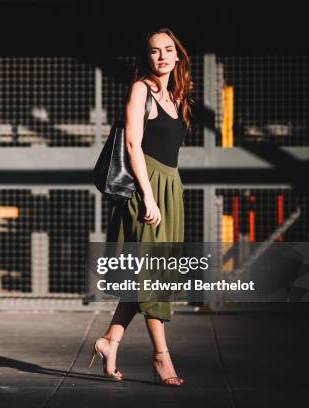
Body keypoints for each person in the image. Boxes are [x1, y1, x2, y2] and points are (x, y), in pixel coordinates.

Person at [89, 27, 193, 386]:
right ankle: (162, 357)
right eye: (154, 51)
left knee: (152, 274)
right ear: (145, 57)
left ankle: (109, 341)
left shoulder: (177, 98)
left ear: (178, 55)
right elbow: (133, 145)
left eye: (168, 50)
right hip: (146, 189)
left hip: (171, 188)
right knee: (152, 276)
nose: (162, 56)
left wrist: (166, 194)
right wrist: (148, 196)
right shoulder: (141, 90)